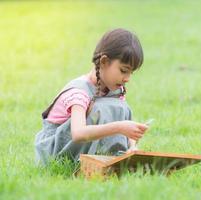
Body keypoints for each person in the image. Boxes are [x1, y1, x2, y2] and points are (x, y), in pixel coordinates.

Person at [34, 28, 149, 166]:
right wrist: (119, 127)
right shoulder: (79, 92)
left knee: (119, 107)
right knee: (99, 109)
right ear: (104, 62)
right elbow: (78, 133)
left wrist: (132, 146)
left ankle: (111, 160)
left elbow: (122, 119)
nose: (127, 78)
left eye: (131, 73)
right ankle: (85, 163)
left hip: (81, 148)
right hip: (54, 153)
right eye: (123, 71)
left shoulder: (115, 90)